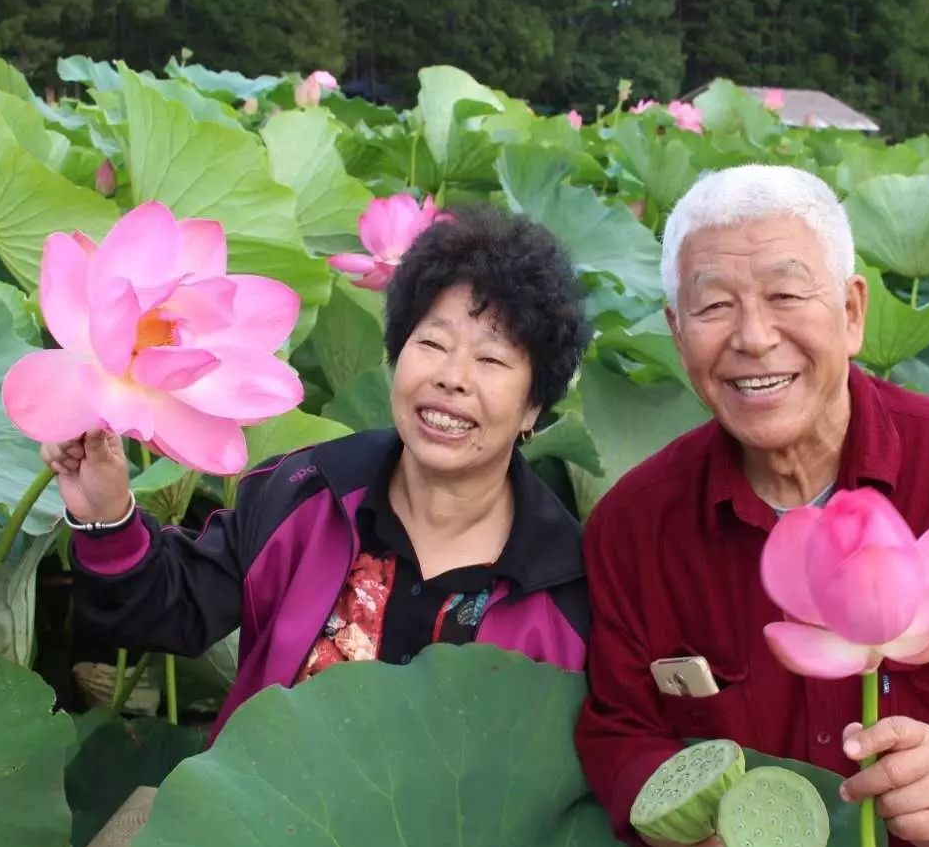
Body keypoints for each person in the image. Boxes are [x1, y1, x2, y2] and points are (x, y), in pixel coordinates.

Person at [573, 165, 929, 847]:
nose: (754, 336)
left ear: (852, 312)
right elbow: (622, 729)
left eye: (786, 293)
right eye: (714, 305)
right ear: (676, 331)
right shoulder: (635, 527)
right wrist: (688, 829)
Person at [43, 204, 592, 740]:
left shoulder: (566, 589)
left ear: (532, 408)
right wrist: (107, 516)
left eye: (491, 360)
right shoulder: (306, 495)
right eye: (431, 343)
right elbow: (170, 610)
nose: (452, 377)